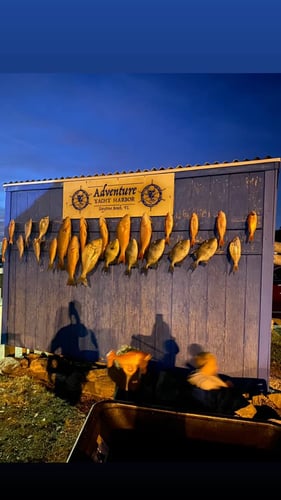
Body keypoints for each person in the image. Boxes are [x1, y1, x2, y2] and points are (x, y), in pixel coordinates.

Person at [187, 351, 280, 420]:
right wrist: (226, 388)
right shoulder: (203, 382)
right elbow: (223, 400)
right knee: (266, 410)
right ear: (205, 365)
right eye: (213, 365)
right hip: (238, 410)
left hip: (239, 403)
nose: (216, 368)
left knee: (267, 407)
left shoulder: (207, 379)